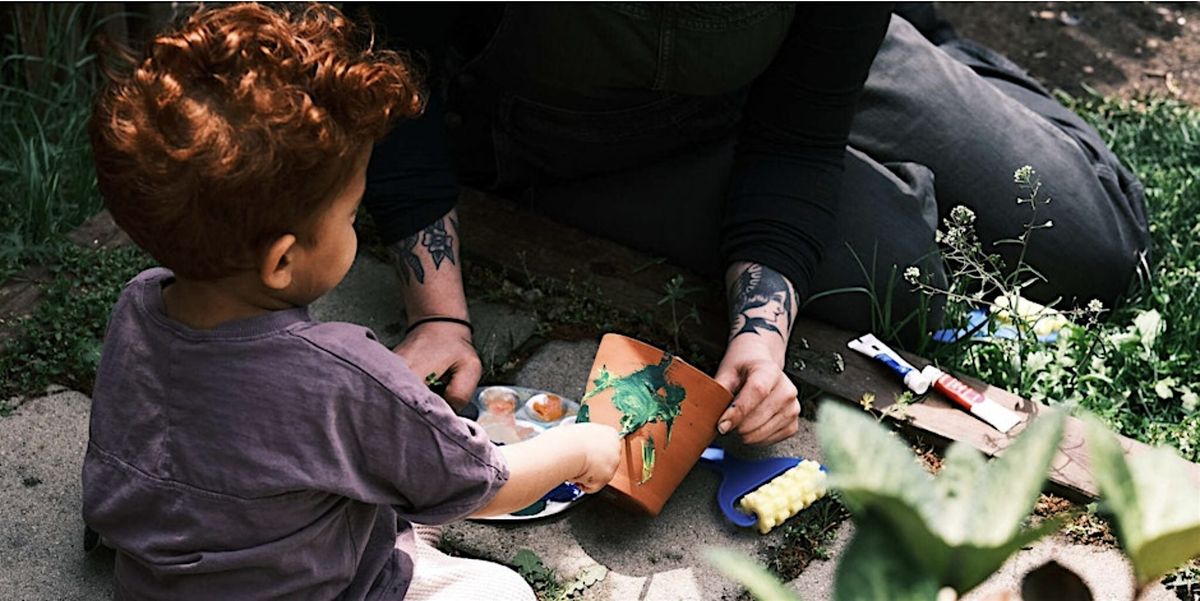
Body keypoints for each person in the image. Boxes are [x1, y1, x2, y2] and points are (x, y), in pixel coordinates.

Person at [356, 4, 1151, 447]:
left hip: (793, 79)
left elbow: (796, 141)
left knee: (1096, 243)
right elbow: (396, 73)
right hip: (581, 137)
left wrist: (761, 340)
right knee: (899, 272)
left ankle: (910, 39)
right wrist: (440, 315)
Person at [82, 4, 619, 600]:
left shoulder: (139, 304)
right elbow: (493, 484)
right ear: (281, 261)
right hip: (319, 586)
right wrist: (578, 447)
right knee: (501, 590)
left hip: (164, 581)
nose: (355, 229)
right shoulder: (339, 377)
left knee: (384, 490)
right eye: (347, 215)